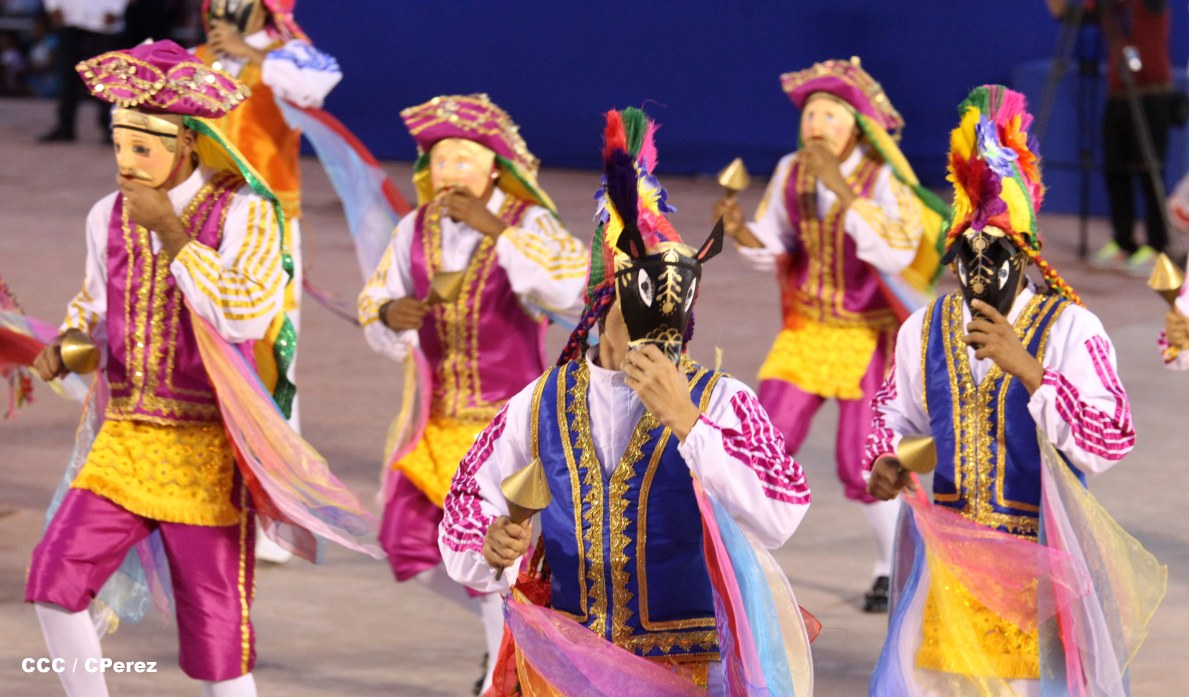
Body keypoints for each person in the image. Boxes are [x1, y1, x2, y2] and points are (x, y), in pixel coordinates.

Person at [25, 40, 376, 697]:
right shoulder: (106, 216)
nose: (125, 163)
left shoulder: (245, 212)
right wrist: (72, 346)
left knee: (219, 640)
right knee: (53, 582)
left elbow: (247, 314)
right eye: (119, 144)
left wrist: (173, 233)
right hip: (126, 442)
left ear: (187, 141)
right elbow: (92, 311)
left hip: (210, 448)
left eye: (142, 147)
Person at [439, 108, 813, 695]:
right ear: (603, 302)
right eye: (643, 299)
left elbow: (782, 510)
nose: (662, 322)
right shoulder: (540, 403)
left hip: (693, 671)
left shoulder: (720, 400)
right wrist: (492, 543)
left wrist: (687, 421)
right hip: (571, 665)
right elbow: (467, 498)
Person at [866, 85, 1159, 696]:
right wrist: (887, 458)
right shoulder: (925, 327)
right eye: (965, 254)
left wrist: (1030, 371)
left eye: (994, 252)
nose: (978, 269)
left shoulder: (1071, 328)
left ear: (1023, 254)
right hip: (949, 561)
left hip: (1042, 563)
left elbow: (1111, 439)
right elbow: (891, 413)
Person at [357, 93, 586, 694]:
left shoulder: (528, 222)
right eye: (440, 160)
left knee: (495, 557)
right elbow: (374, 299)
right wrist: (392, 314)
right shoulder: (415, 229)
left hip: (508, 431)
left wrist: (498, 231)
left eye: (463, 158)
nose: (450, 172)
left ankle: (499, 669)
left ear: (494, 169)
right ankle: (512, 630)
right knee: (405, 543)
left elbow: (570, 284)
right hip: (437, 426)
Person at [711, 57, 945, 612]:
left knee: (864, 459)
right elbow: (778, 240)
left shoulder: (883, 180)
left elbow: (896, 251)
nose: (816, 125)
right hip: (806, 330)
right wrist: (743, 231)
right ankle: (737, 561)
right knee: (764, 438)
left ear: (856, 128)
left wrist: (842, 189)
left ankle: (890, 568)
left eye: (830, 115)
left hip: (867, 335)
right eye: (811, 114)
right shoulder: (792, 170)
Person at [193, 0, 344, 562]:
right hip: (202, 221)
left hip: (269, 222)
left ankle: (274, 516)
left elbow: (317, 87)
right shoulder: (192, 59)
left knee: (270, 355)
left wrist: (253, 55)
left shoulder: (290, 57)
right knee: (202, 358)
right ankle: (209, 500)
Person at [1081, 0, 1174, 275]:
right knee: (1116, 172)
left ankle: (1158, 247)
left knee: (1149, 173)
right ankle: (1123, 242)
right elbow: (1069, 15)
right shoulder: (1108, 6)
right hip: (1118, 96)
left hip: (1151, 96)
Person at [38, 0, 128, 142]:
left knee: (105, 77)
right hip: (69, 15)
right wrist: (52, 6)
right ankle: (65, 126)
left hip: (102, 18)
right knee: (67, 76)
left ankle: (110, 127)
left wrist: (116, 8)